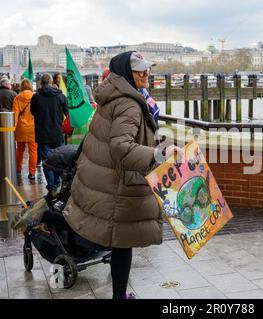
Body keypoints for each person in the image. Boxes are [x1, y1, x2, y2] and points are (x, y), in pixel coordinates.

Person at [63, 51, 183, 299]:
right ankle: (119, 297)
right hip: (118, 184)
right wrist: (160, 154)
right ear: (128, 74)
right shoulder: (129, 103)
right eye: (140, 70)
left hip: (107, 180)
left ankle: (119, 295)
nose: (147, 73)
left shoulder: (114, 96)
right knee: (121, 242)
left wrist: (155, 145)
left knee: (118, 241)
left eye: (148, 68)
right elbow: (121, 147)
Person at [30, 74, 68, 194]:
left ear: (41, 83)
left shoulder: (36, 97)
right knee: (57, 160)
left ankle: (51, 185)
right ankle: (56, 182)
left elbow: (33, 112)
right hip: (57, 133)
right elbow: (67, 113)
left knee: (47, 160)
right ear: (51, 82)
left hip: (42, 134)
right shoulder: (60, 96)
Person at [13, 79, 37, 180]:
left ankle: (18, 169)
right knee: (33, 151)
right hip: (33, 128)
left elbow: (15, 115)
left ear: (21, 86)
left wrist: (13, 128)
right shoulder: (35, 97)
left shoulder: (17, 98)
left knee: (20, 149)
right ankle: (32, 172)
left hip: (21, 128)